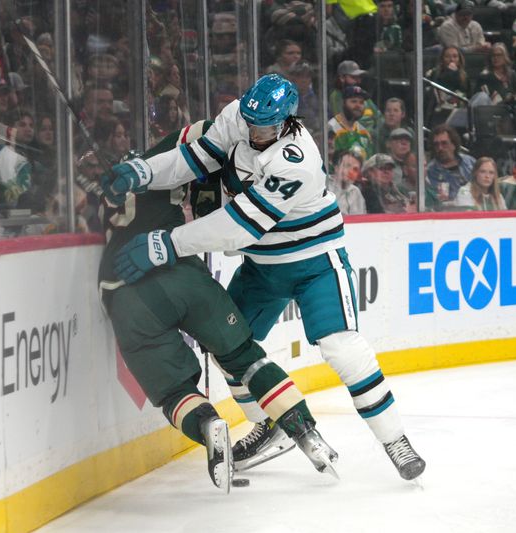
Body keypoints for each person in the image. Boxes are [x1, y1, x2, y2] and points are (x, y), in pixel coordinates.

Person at [105, 73, 426, 481]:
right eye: (253, 122)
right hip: (261, 268)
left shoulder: (297, 159)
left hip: (314, 263)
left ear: (287, 120)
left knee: (342, 349)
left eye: (267, 126)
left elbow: (241, 225)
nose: (257, 133)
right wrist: (144, 172)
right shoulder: (238, 117)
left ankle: (394, 439)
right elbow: (194, 158)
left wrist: (168, 243)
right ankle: (270, 424)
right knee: (228, 347)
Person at [83, 121, 339, 491]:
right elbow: (213, 132)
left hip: (126, 289)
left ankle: (208, 425)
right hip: (186, 277)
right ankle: (307, 433)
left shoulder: (96, 187)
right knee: (248, 359)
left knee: (175, 391)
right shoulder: (167, 159)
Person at [427, 124, 476, 205]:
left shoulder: (470, 162)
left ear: (453, 144)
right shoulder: (431, 171)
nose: (440, 148)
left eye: (444, 143)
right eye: (436, 145)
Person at [328, 85, 376, 161]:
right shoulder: (330, 129)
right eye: (353, 101)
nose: (358, 106)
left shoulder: (364, 133)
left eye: (361, 102)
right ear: (343, 103)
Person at [327, 150, 367, 215]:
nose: (350, 171)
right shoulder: (324, 186)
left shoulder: (356, 192)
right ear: (336, 167)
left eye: (355, 169)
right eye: (347, 166)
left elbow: (362, 219)